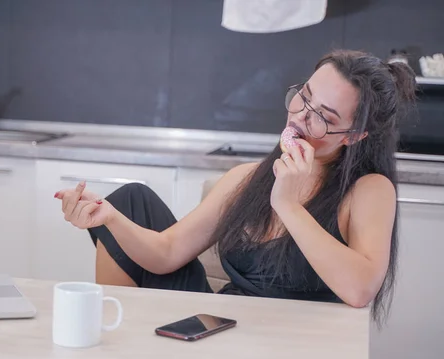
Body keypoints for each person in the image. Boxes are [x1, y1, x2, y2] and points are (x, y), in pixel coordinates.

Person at [54, 49, 416, 325]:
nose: (301, 118)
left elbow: (360, 290)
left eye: (323, 116)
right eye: (303, 97)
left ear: (354, 136)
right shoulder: (247, 177)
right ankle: (118, 351)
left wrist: (288, 205)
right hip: (225, 322)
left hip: (293, 337)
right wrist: (109, 219)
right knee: (131, 199)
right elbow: (166, 253)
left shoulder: (369, 190)